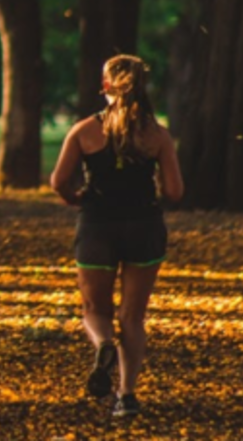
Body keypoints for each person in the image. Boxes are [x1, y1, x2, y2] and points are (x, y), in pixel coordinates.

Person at [49, 55, 183, 418]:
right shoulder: (157, 134)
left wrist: (75, 198)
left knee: (95, 310)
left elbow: (58, 181)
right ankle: (126, 396)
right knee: (133, 317)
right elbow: (174, 191)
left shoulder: (84, 131)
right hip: (144, 226)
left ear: (106, 85)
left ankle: (103, 344)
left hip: (97, 225)